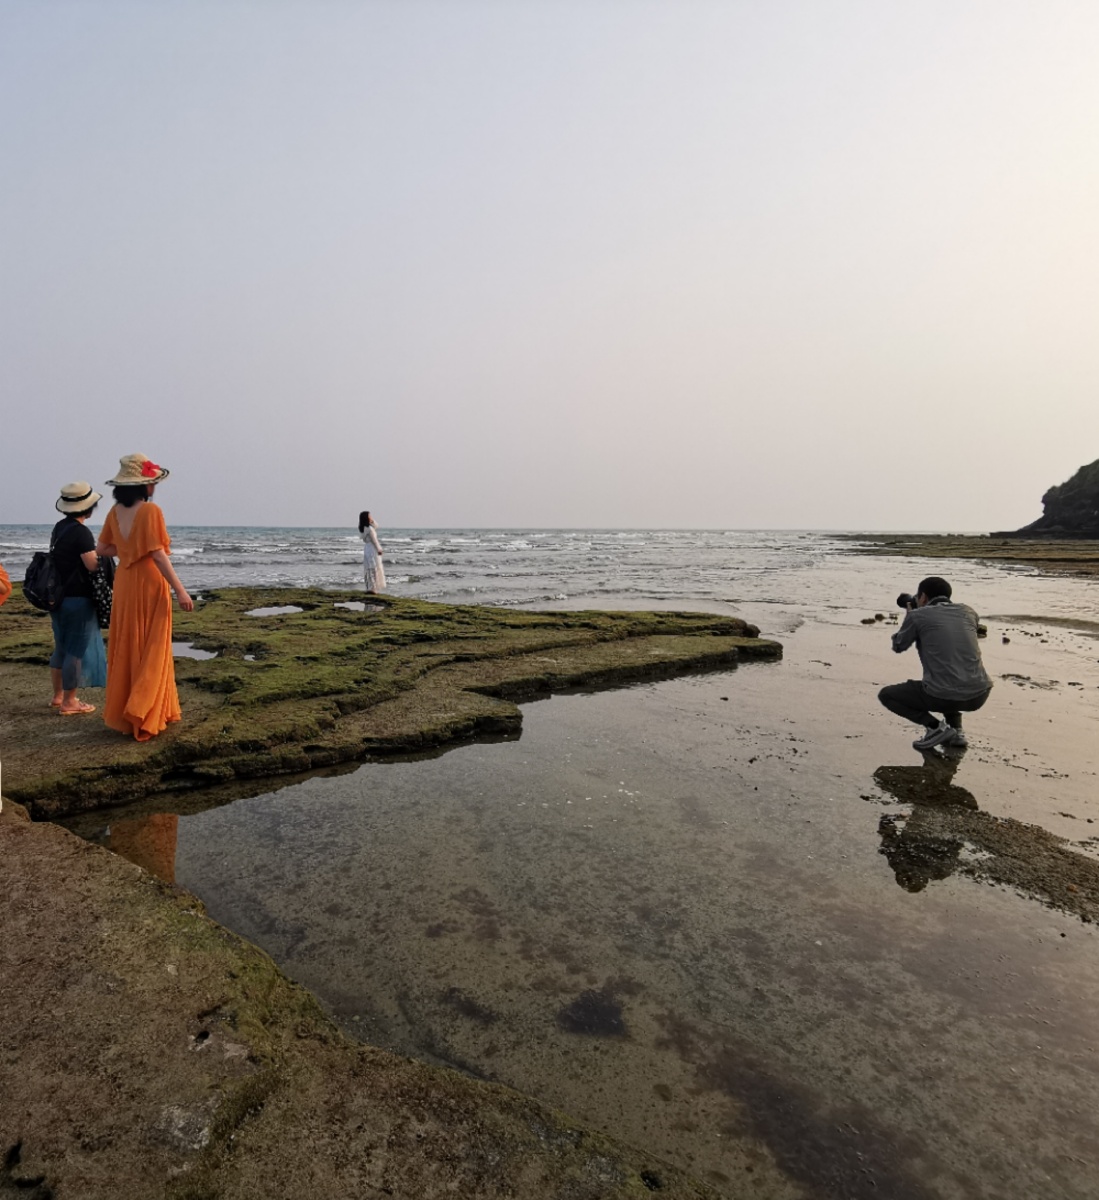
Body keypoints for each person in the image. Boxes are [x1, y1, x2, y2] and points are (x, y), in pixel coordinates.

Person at [96, 454, 194, 741]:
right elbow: (158, 555)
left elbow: (102, 548)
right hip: (150, 583)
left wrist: (128, 552)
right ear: (144, 486)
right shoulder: (152, 512)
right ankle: (144, 711)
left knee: (128, 643)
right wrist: (180, 589)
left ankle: (132, 711)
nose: (155, 488)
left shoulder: (113, 513)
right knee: (153, 646)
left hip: (125, 583)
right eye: (152, 483)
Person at [878, 576, 992, 751]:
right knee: (951, 672)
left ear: (923, 597)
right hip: (979, 694)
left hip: (942, 694)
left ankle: (934, 727)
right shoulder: (969, 611)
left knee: (887, 695)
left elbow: (898, 645)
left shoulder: (917, 615)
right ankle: (956, 731)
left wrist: (910, 617)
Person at [47, 482, 109, 715]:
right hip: (78, 599)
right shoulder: (81, 532)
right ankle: (70, 702)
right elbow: (92, 565)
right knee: (75, 650)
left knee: (61, 647)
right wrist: (105, 558)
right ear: (88, 507)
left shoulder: (59, 527)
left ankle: (57, 696)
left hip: (58, 598)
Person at [358, 510, 386, 593]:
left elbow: (376, 526)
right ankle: (374, 588)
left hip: (367, 548)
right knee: (374, 568)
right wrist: (379, 549)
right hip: (372, 548)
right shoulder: (370, 529)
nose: (371, 517)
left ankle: (370, 587)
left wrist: (372, 521)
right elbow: (375, 540)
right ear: (367, 518)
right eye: (370, 516)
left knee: (369, 568)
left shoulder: (363, 528)